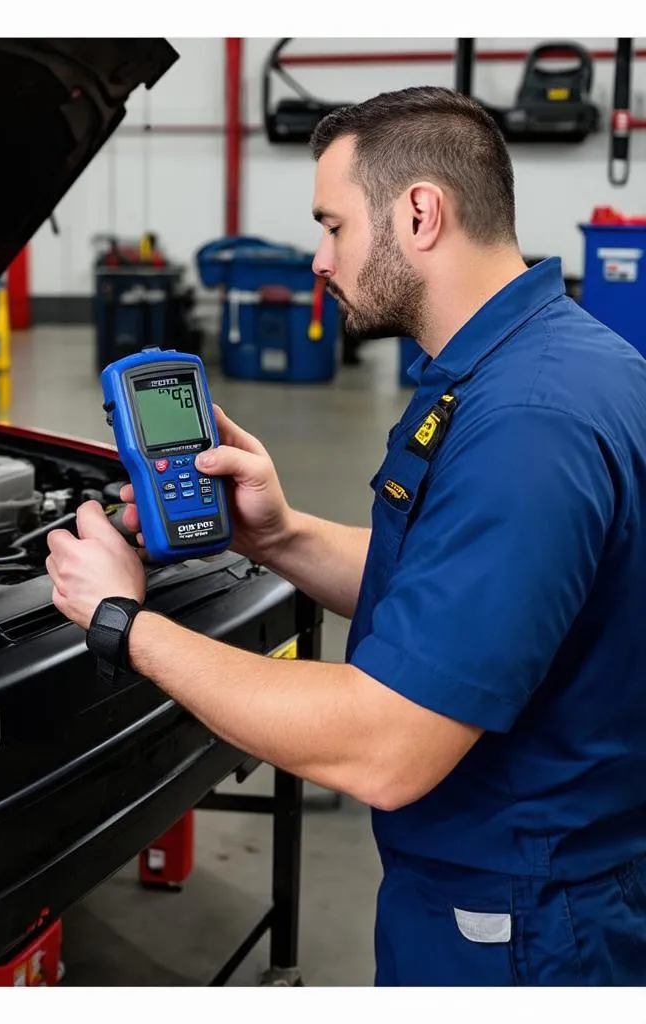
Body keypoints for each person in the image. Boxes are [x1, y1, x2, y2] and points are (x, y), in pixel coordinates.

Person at [44, 86, 646, 986]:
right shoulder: (549, 359)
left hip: (521, 926)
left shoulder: (526, 421)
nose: (320, 259)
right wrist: (277, 535)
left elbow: (385, 746)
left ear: (418, 213)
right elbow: (451, 596)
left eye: (333, 225)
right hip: (537, 884)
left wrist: (124, 622)